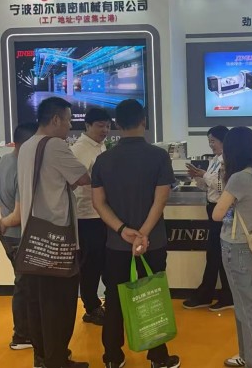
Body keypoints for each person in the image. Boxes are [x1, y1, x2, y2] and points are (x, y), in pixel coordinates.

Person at [0, 97, 91, 368]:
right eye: (68, 120)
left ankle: (43, 357)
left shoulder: (26, 147)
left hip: (32, 239)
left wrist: (4, 222)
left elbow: (31, 193)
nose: (69, 126)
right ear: (55, 119)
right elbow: (83, 178)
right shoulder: (55, 145)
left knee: (38, 304)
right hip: (57, 240)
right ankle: (57, 360)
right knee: (59, 304)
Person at [91, 99, 181, 368]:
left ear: (117, 124)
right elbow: (160, 200)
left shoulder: (103, 160)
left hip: (116, 244)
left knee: (115, 299)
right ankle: (158, 357)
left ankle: (112, 357)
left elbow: (98, 203)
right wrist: (143, 234)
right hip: (152, 243)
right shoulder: (158, 156)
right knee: (152, 297)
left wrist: (122, 230)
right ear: (144, 121)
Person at [213, 127, 252, 368]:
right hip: (248, 247)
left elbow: (217, 214)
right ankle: (246, 355)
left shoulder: (239, 178)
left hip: (235, 248)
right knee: (244, 306)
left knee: (248, 310)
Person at [0, 121, 38, 351]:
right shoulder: (23, 168)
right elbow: (20, 214)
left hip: (9, 235)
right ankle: (22, 335)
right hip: (19, 234)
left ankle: (24, 333)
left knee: (22, 284)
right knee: (27, 288)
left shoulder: (4, 161)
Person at [182, 125, 234, 312]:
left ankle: (217, 294)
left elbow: (222, 187)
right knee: (214, 253)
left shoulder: (227, 161)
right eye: (209, 141)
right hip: (212, 208)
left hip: (222, 211)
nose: (211, 145)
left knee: (217, 253)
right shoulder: (214, 160)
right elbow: (208, 187)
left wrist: (204, 174)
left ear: (223, 141)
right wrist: (198, 177)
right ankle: (215, 294)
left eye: (213, 141)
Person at [70, 107, 111, 326]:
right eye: (100, 126)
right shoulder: (80, 149)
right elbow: (78, 180)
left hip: (100, 214)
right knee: (90, 265)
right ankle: (91, 307)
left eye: (108, 126)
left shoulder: (99, 146)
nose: (104, 130)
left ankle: (100, 303)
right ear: (87, 126)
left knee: (101, 262)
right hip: (86, 215)